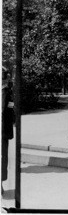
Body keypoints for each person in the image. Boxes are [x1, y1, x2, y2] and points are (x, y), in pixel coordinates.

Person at [2, 66, 15, 194]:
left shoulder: (7, 92)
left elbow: (10, 107)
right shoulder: (5, 91)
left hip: (4, 130)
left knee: (3, 157)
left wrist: (13, 119)